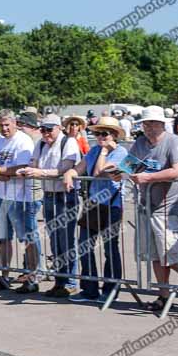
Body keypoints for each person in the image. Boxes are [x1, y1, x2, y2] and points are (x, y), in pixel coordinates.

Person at [114, 105, 178, 312]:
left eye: (152, 123)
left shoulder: (174, 141)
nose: (148, 127)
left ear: (162, 124)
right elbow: (128, 166)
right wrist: (117, 172)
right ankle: (163, 294)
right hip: (146, 205)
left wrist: (148, 177)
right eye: (145, 124)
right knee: (154, 254)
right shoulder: (140, 142)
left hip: (168, 206)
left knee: (169, 251)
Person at [63, 117, 128, 303]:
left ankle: (111, 289)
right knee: (84, 246)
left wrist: (105, 151)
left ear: (114, 135)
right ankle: (89, 289)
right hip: (92, 205)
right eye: (97, 133)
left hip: (111, 206)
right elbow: (80, 168)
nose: (99, 137)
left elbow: (100, 172)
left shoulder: (120, 152)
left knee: (110, 249)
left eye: (104, 133)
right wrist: (70, 174)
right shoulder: (94, 150)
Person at [18, 114, 81, 297]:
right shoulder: (41, 144)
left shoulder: (67, 143)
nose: (45, 133)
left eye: (49, 129)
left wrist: (38, 172)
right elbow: (34, 162)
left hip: (66, 196)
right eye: (43, 129)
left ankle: (70, 281)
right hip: (49, 195)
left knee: (66, 240)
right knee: (54, 240)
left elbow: (63, 169)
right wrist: (27, 170)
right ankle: (59, 281)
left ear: (59, 128)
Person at [0, 110, 35, 290]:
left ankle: (31, 276)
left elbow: (22, 168)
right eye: (1, 125)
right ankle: (4, 275)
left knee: (26, 239)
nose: (4, 129)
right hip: (2, 196)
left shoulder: (23, 141)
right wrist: (0, 172)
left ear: (15, 123)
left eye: (7, 125)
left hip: (21, 198)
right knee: (4, 238)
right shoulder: (0, 141)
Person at [13, 111, 43, 292]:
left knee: (31, 233)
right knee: (27, 233)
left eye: (21, 124)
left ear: (29, 125)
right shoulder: (31, 140)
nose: (18, 127)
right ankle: (30, 267)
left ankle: (36, 270)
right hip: (25, 193)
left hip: (34, 193)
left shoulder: (34, 141)